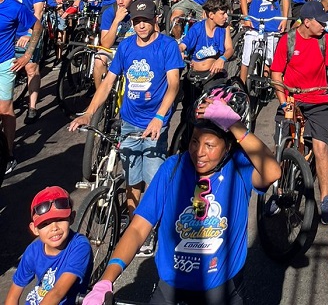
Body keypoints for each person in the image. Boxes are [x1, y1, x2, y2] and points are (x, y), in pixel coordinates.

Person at [80, 91, 281, 305]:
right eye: (195, 141)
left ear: (228, 146)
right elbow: (139, 228)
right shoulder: (173, 168)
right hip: (171, 286)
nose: (199, 152)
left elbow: (272, 172)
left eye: (210, 145)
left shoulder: (240, 167)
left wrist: (235, 125)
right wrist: (106, 280)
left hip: (221, 288)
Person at [69, 0, 184, 221]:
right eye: (137, 21)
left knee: (152, 179)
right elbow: (108, 83)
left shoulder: (167, 46)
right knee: (132, 178)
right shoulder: (126, 46)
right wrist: (89, 113)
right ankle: (135, 223)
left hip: (154, 124)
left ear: (155, 20)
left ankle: (149, 227)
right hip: (129, 121)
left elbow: (174, 86)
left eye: (146, 20)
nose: (141, 25)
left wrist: (159, 118)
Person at [270, 0, 328, 224]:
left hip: (318, 98)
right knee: (283, 144)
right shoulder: (288, 40)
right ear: (307, 22)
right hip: (292, 98)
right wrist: (284, 103)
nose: (324, 26)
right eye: (320, 22)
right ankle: (278, 192)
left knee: (321, 147)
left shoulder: (326, 39)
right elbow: (276, 75)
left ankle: (326, 199)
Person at [5, 186, 92, 305]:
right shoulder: (32, 251)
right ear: (34, 229)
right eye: (45, 224)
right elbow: (13, 295)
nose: (54, 228)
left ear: (72, 217)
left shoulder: (80, 247)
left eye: (60, 219)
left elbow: (57, 292)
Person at [0, 0, 42, 173]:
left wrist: (27, 55)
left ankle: (8, 154)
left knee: (5, 111)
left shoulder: (14, 7)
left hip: (4, 65)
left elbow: (37, 27)